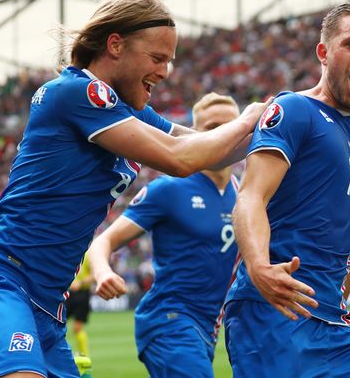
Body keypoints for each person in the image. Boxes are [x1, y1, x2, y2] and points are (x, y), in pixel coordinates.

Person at [0, 0, 267, 378]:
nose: (165, 72)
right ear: (115, 45)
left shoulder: (126, 110)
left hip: (46, 305)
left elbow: (201, 148)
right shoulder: (77, 92)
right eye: (157, 58)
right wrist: (248, 119)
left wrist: (285, 126)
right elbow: (181, 159)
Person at [224, 0, 350, 377]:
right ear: (324, 52)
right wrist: (259, 267)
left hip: (332, 320)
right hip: (275, 311)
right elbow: (251, 196)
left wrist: (340, 298)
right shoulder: (294, 110)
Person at [89, 92, 241, 378]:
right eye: (211, 128)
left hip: (207, 330)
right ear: (194, 133)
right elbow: (103, 241)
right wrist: (103, 272)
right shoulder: (169, 189)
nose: (223, 134)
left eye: (230, 126)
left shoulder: (245, 195)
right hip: (168, 322)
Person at [66, 253, 93, 357]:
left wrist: (80, 283)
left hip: (82, 294)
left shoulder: (88, 255)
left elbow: (93, 275)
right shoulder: (69, 251)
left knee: (77, 327)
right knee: (58, 324)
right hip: (66, 293)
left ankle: (84, 356)